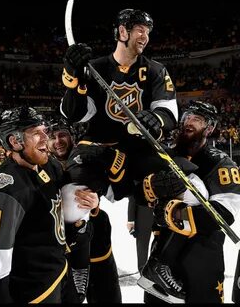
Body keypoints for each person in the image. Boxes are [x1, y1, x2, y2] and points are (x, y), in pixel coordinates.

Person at [60, 7, 178, 206]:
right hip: (100, 150)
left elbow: (168, 111)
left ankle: (155, 220)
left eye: (148, 31)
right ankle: (85, 230)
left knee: (178, 177)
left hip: (137, 150)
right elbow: (74, 115)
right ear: (123, 32)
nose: (145, 37)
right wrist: (73, 81)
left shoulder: (155, 70)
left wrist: (155, 118)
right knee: (74, 198)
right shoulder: (95, 68)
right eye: (141, 30)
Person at [0, 106, 98, 304]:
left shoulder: (50, 165)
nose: (46, 138)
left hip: (59, 272)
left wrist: (89, 204)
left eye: (45, 131)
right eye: (37, 134)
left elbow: (63, 208)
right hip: (33, 290)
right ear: (15, 141)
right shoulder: (6, 188)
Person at [136, 101, 240, 304]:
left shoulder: (220, 162)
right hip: (162, 254)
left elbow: (225, 214)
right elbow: (138, 195)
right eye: (187, 118)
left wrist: (173, 212)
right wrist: (150, 186)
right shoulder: (166, 155)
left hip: (202, 256)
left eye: (197, 120)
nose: (189, 122)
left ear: (209, 128)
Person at [47, 117, 122, 303]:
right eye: (52, 137)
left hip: (96, 240)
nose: (58, 141)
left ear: (72, 137)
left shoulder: (88, 157)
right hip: (58, 246)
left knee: (106, 295)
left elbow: (116, 193)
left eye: (62, 135)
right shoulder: (43, 167)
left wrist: (96, 203)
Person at [127, 195, 154, 274]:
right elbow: (132, 197)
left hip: (153, 212)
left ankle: (146, 271)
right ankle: (143, 271)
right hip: (144, 213)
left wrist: (130, 220)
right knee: (143, 244)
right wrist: (130, 220)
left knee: (145, 244)